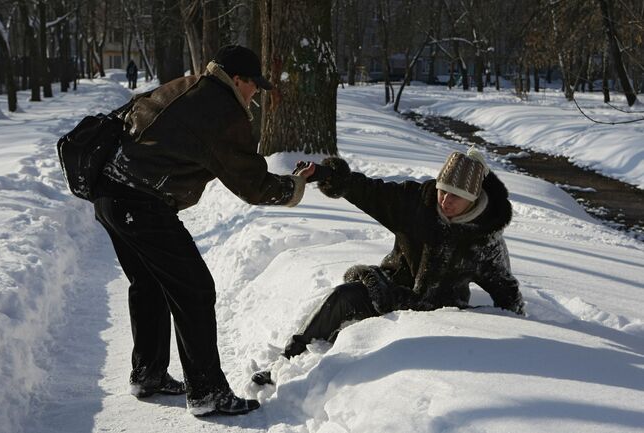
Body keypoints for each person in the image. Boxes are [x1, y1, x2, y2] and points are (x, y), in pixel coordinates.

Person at [94, 45, 315, 416]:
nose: (255, 93)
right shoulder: (220, 109)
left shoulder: (188, 85)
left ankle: (147, 373)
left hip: (110, 193)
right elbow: (251, 184)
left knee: (148, 282)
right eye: (253, 85)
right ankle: (207, 392)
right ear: (238, 79)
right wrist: (293, 187)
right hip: (141, 203)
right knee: (194, 289)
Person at [253, 148, 525, 385]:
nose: (445, 200)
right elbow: (368, 191)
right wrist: (326, 175)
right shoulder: (416, 202)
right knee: (343, 296)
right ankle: (288, 361)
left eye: (455, 195)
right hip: (390, 291)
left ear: (473, 198)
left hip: (439, 314)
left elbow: (506, 292)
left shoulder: (484, 240)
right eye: (443, 190)